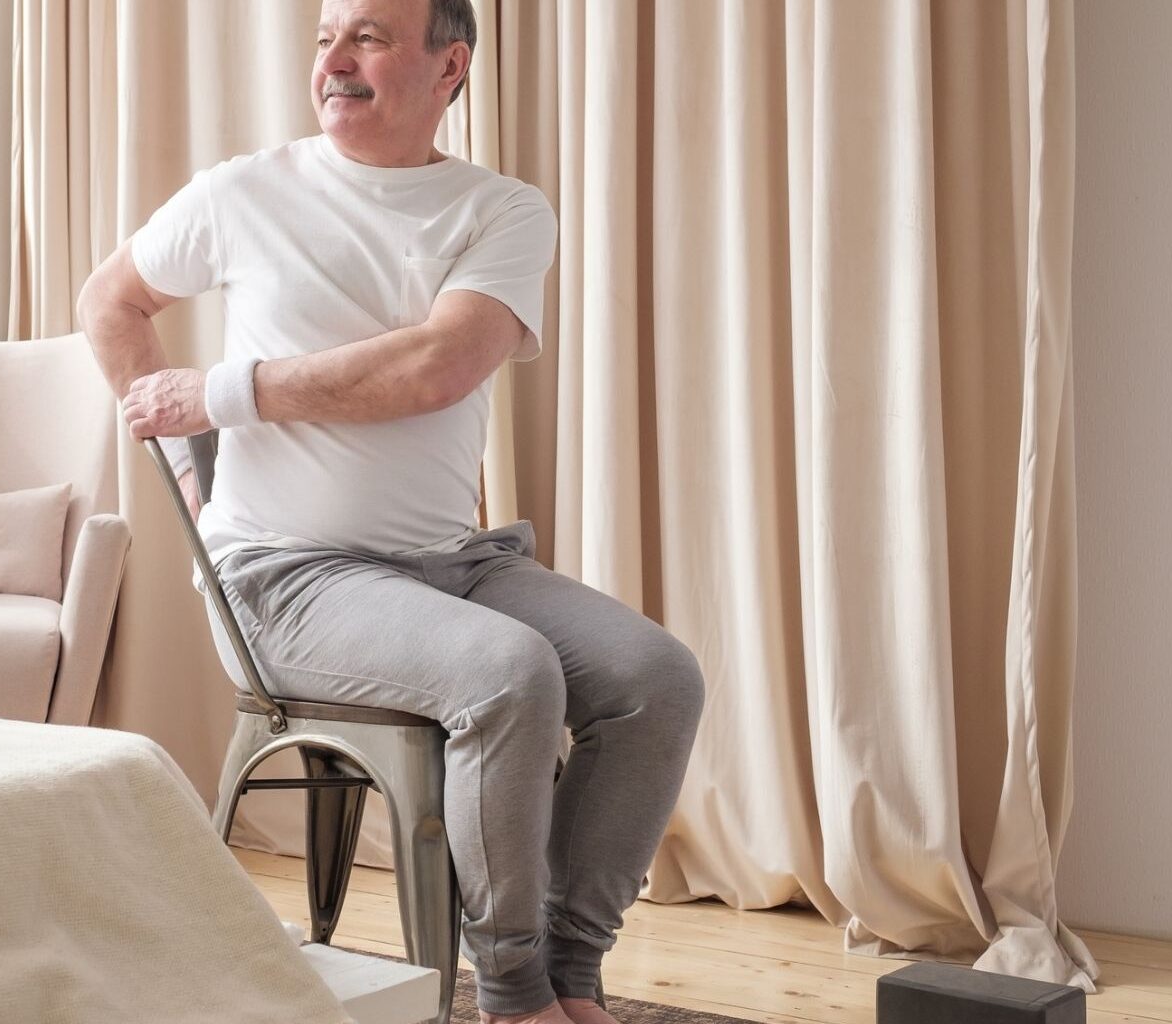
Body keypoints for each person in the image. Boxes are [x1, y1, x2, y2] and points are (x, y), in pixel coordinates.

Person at [77, 2, 703, 1021]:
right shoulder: (244, 192)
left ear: (449, 66)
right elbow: (111, 298)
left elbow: (437, 366)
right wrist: (193, 483)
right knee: (508, 673)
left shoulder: (501, 208)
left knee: (656, 679)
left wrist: (222, 396)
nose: (333, 60)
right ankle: (510, 993)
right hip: (286, 578)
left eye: (367, 36)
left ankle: (571, 974)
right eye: (326, 37)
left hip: (454, 561)